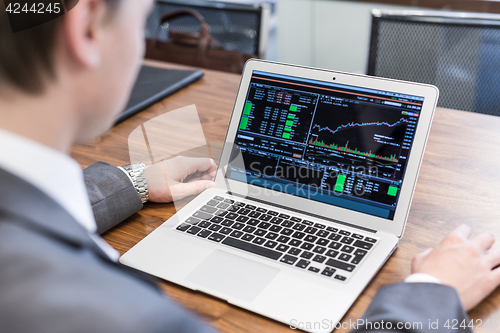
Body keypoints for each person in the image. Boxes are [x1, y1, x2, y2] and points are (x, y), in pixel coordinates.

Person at [0, 1, 499, 332]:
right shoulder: (117, 316)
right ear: (86, 28)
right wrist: (433, 293)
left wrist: (130, 182)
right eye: (142, 18)